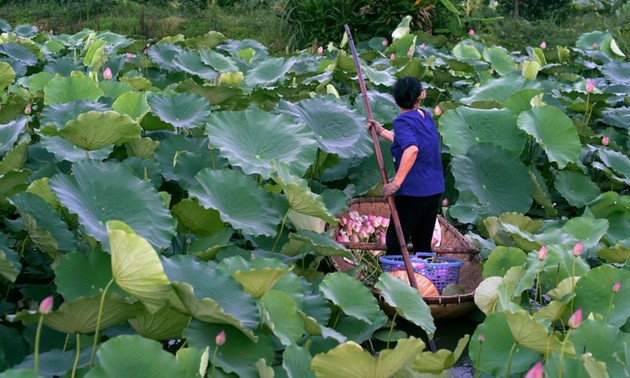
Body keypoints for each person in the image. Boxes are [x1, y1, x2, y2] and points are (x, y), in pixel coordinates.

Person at [367, 76, 444, 255]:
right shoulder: (426, 116)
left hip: (413, 192)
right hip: (433, 189)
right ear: (421, 96)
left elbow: (411, 150)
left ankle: (394, 279)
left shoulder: (402, 121)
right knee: (423, 245)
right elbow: (408, 141)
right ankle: (424, 280)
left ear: (395, 99)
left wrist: (396, 184)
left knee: (395, 243)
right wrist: (381, 131)